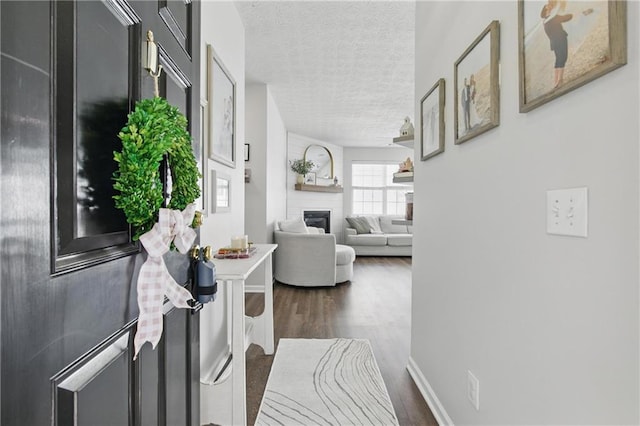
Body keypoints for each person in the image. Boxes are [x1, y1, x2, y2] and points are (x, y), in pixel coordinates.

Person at [540, 1, 573, 88]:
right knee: (563, 58)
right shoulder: (552, 18)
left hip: (554, 42)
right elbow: (566, 17)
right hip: (560, 39)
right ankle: (560, 80)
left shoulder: (544, 21)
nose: (550, 6)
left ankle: (556, 81)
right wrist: (571, 15)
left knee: (558, 59)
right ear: (546, 10)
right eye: (548, 6)